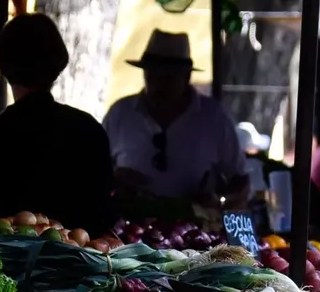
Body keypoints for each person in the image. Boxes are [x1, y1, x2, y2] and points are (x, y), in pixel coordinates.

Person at [0, 13, 113, 236]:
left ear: (4, 68)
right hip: (84, 253)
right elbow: (103, 208)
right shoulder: (89, 129)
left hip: (8, 254)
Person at [103, 30, 248, 207]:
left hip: (195, 223)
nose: (157, 86)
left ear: (186, 77)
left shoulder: (213, 117)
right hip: (129, 222)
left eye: (167, 79)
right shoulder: (120, 113)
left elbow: (240, 180)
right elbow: (92, 172)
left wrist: (219, 201)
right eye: (151, 76)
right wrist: (114, 179)